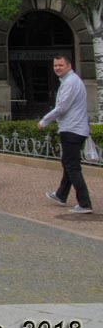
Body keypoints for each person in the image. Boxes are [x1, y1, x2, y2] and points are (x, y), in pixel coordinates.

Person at [40, 54, 93, 214]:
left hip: (72, 129)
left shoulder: (70, 82)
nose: (57, 68)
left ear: (69, 65)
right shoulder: (71, 81)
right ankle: (61, 194)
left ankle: (84, 203)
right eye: (55, 65)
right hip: (74, 128)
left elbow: (62, 107)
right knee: (68, 163)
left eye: (60, 65)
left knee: (72, 166)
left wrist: (44, 120)